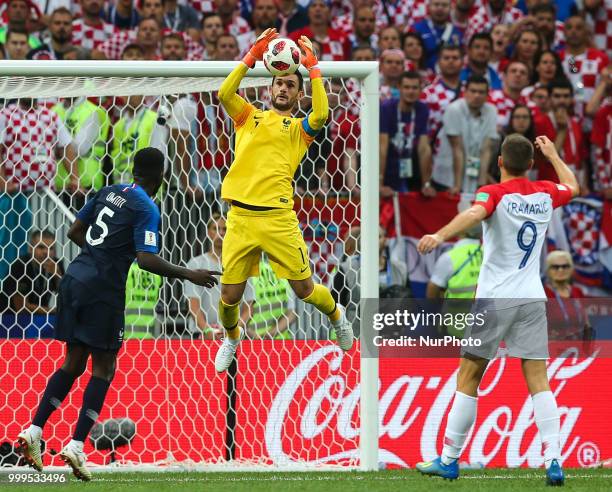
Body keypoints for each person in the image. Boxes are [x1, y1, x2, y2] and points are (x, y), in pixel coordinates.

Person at [15, 148, 220, 481]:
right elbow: (147, 259)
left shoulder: (109, 190)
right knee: (105, 368)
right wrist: (190, 273)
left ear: (134, 171)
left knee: (73, 363)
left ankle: (34, 430)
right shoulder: (147, 207)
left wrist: (98, 255)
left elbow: (74, 232)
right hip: (103, 290)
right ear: (160, 177)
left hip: (73, 279)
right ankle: (77, 445)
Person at [415, 134, 580, 485]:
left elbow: (476, 212)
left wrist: (440, 235)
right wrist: (554, 155)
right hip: (532, 297)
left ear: (500, 162)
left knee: (469, 375)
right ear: (532, 165)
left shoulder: (494, 192)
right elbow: (573, 185)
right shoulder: (545, 192)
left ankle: (449, 459)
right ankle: (554, 459)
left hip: (494, 300)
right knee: (539, 381)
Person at [214, 28, 353, 373]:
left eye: (291, 85)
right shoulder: (248, 117)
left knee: (305, 289)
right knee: (230, 297)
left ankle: (337, 316)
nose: (283, 88)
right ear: (270, 86)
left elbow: (321, 115)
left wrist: (314, 68)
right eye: (279, 83)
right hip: (240, 218)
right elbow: (224, 92)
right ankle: (232, 338)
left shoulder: (299, 129)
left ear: (298, 93)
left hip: (278, 218)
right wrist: (250, 56)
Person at [184, 214, 254, 340]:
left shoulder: (241, 265)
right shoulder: (196, 264)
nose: (220, 233)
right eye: (215, 229)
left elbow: (248, 308)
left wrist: (233, 331)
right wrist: (207, 330)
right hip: (201, 335)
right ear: (208, 232)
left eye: (224, 229)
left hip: (233, 335)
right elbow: (193, 306)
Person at [432, 75, 498, 194]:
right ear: (465, 92)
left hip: (472, 174)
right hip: (447, 176)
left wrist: (482, 184)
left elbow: (486, 149)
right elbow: (457, 149)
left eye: (481, 92)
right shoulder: (454, 109)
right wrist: (457, 185)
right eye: (473, 91)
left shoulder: (491, 111)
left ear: (487, 95)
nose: (477, 95)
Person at [380, 71, 433, 196]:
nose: (411, 91)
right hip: (387, 172)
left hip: (410, 174)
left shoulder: (422, 109)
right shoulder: (386, 108)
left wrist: (426, 184)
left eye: (415, 88)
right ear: (399, 87)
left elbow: (424, 148)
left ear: (421, 89)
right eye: (406, 87)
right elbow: (382, 148)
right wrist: (379, 184)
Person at [1, 230, 64, 314]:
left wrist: (57, 276)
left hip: (41, 317)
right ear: (31, 249)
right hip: (10, 318)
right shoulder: (20, 265)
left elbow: (67, 297)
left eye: (51, 248)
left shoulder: (56, 265)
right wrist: (53, 311)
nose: (46, 252)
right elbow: (21, 307)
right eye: (41, 247)